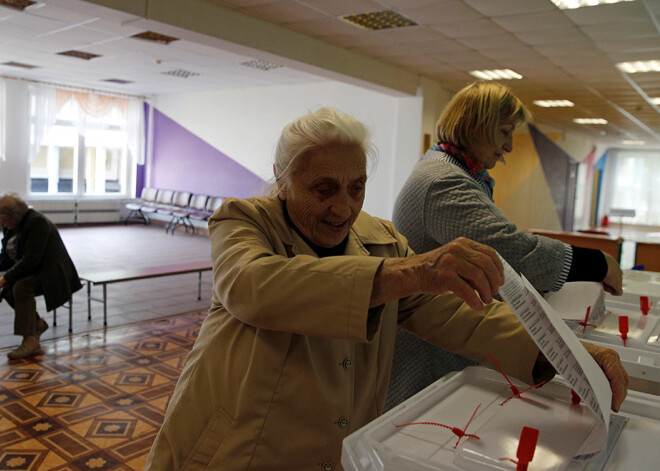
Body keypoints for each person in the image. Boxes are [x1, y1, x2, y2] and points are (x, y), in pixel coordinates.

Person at [145, 108, 628, 470]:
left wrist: (566, 354)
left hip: (335, 452)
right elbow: (254, 286)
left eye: (356, 188)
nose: (343, 208)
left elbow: (459, 315)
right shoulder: (244, 221)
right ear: (281, 181)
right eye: (324, 189)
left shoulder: (381, 240)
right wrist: (413, 271)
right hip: (233, 450)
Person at [387, 81, 625, 409]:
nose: (509, 147)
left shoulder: (455, 171)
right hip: (429, 344)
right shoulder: (443, 181)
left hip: (449, 332)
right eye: (503, 132)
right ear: (474, 126)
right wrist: (597, 263)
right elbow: (511, 250)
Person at [0, 193, 82, 359]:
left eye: (4, 220)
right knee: (8, 291)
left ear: (14, 215)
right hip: (35, 270)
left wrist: (5, 278)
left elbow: (32, 259)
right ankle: (36, 324)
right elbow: (6, 258)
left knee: (21, 286)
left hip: (52, 272)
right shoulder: (11, 227)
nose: (3, 225)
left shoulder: (37, 223)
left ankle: (30, 341)